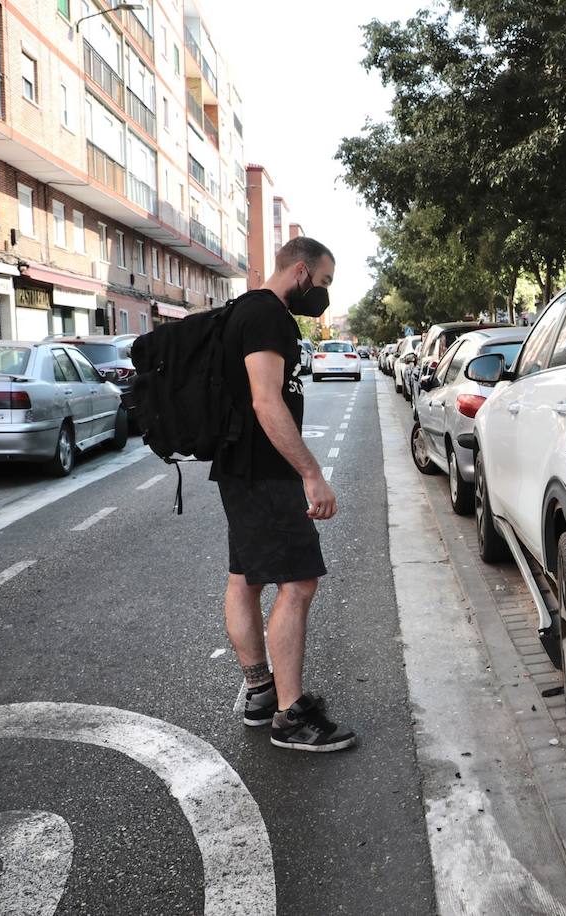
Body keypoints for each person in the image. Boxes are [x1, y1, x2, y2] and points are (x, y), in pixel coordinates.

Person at [211, 236, 356, 752]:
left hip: (240, 468)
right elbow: (266, 403)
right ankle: (290, 716)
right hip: (267, 472)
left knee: (244, 580)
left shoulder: (243, 312)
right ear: (300, 271)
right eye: (324, 282)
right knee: (299, 584)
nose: (324, 294)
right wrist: (311, 474)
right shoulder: (270, 316)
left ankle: (259, 693)